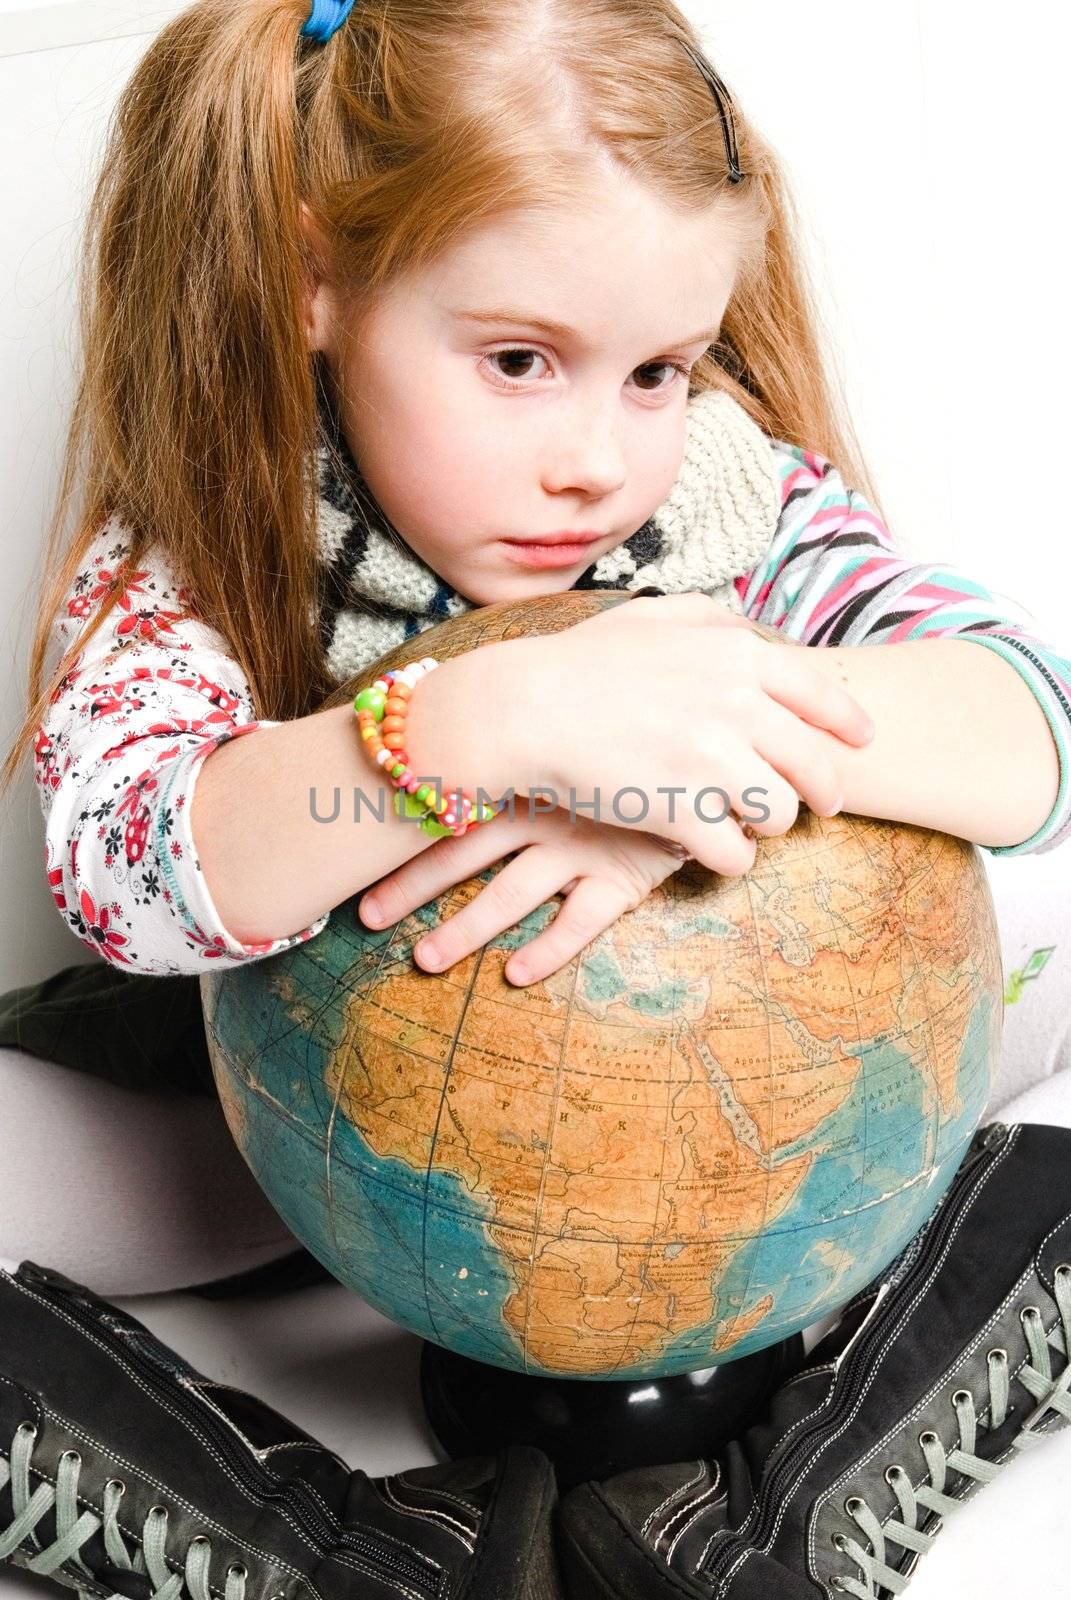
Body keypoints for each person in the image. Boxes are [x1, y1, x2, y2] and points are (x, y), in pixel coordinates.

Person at [0, 2, 1070, 1587]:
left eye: (656, 369)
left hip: (742, 1124)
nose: (596, 460)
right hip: (296, 1149)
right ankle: (340, 1547)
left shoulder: (730, 503)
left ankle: (792, 1503)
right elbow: (126, 859)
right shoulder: (216, 546)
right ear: (319, 282)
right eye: (519, 361)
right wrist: (471, 728)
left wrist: (666, 754)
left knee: (1048, 939)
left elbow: (1026, 726)